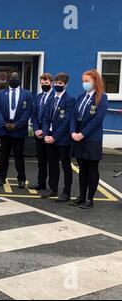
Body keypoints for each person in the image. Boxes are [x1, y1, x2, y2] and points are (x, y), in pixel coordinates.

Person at [70, 69, 109, 209]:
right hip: (78, 138)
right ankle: (81, 196)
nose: (84, 84)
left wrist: (82, 134)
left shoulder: (102, 98)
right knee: (82, 169)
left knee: (92, 170)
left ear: (95, 82)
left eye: (87, 81)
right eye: (83, 81)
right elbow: (74, 116)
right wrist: (73, 132)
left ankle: (90, 199)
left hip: (92, 139)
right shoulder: (81, 97)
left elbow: (97, 120)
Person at [0, 72, 33, 188]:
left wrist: (18, 124)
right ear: (8, 80)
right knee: (3, 155)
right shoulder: (1, 94)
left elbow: (28, 111)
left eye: (16, 78)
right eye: (12, 78)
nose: (14, 79)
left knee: (19, 155)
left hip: (19, 129)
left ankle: (21, 179)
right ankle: (1, 177)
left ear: (19, 79)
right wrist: (3, 123)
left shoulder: (27, 94)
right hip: (4, 128)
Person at [41, 73, 76, 202]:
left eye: (60, 83)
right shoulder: (51, 98)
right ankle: (53, 189)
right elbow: (45, 118)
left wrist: (54, 137)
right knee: (52, 164)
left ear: (65, 85)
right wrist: (46, 134)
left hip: (62, 139)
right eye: (56, 83)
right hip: (49, 137)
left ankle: (66, 193)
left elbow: (66, 121)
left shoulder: (69, 100)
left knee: (66, 166)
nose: (57, 85)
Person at [31, 73, 55, 190]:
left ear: (52, 83)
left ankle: (52, 186)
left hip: (49, 133)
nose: (44, 85)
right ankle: (41, 183)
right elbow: (34, 114)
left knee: (51, 160)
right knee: (41, 160)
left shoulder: (55, 96)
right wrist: (36, 129)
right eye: (42, 83)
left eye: (46, 83)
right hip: (38, 132)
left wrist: (44, 131)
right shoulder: (38, 96)